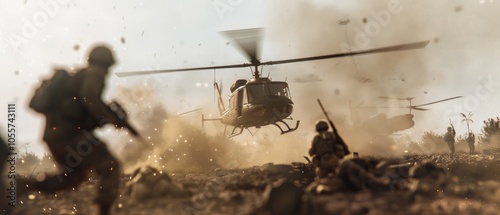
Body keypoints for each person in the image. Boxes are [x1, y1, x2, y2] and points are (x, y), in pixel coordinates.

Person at [20, 44, 129, 215]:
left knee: (72, 178)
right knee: (110, 165)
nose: (107, 72)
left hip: (54, 136)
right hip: (69, 134)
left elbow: (86, 105)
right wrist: (111, 118)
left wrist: (108, 117)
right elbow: (91, 100)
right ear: (105, 63)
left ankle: (21, 186)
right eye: (108, 67)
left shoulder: (77, 77)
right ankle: (104, 211)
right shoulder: (95, 74)